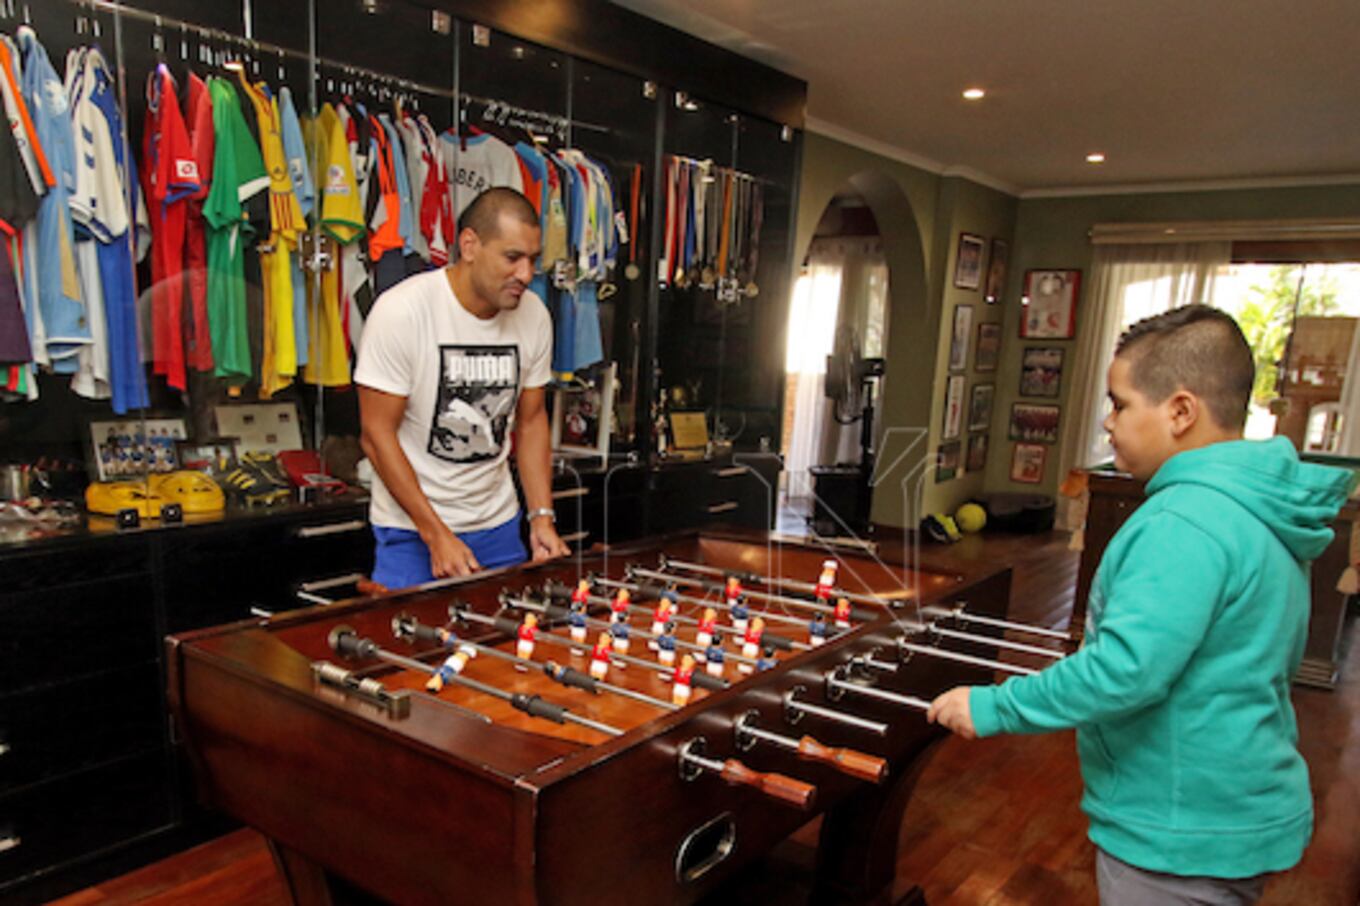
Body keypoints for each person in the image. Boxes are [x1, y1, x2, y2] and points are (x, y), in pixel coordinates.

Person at [928, 304, 1355, 905]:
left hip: (1178, 829)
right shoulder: (1256, 507)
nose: (1107, 422)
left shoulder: (1184, 522)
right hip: (1236, 806)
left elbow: (1122, 671)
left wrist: (996, 705)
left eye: (1120, 403)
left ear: (1181, 411)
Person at [356, 187, 569, 587]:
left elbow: (532, 419)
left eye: (532, 260)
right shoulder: (402, 312)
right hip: (411, 530)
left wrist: (541, 516)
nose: (526, 274)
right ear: (469, 245)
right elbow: (375, 435)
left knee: (505, 644)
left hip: (498, 524)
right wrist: (435, 534)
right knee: (414, 648)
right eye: (512, 258)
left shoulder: (534, 315)